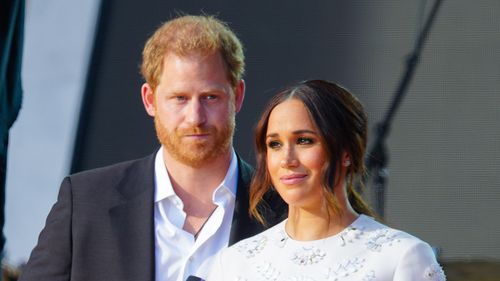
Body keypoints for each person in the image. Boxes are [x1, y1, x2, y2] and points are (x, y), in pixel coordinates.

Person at [19, 15, 285, 281]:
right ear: (150, 100)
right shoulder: (85, 202)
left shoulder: (285, 211)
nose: (195, 117)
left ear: (237, 96)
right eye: (179, 98)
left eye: (210, 97)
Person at [207, 80, 446, 280]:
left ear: (346, 152)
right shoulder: (235, 264)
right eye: (275, 144)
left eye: (304, 141)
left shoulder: (402, 257)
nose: (286, 159)